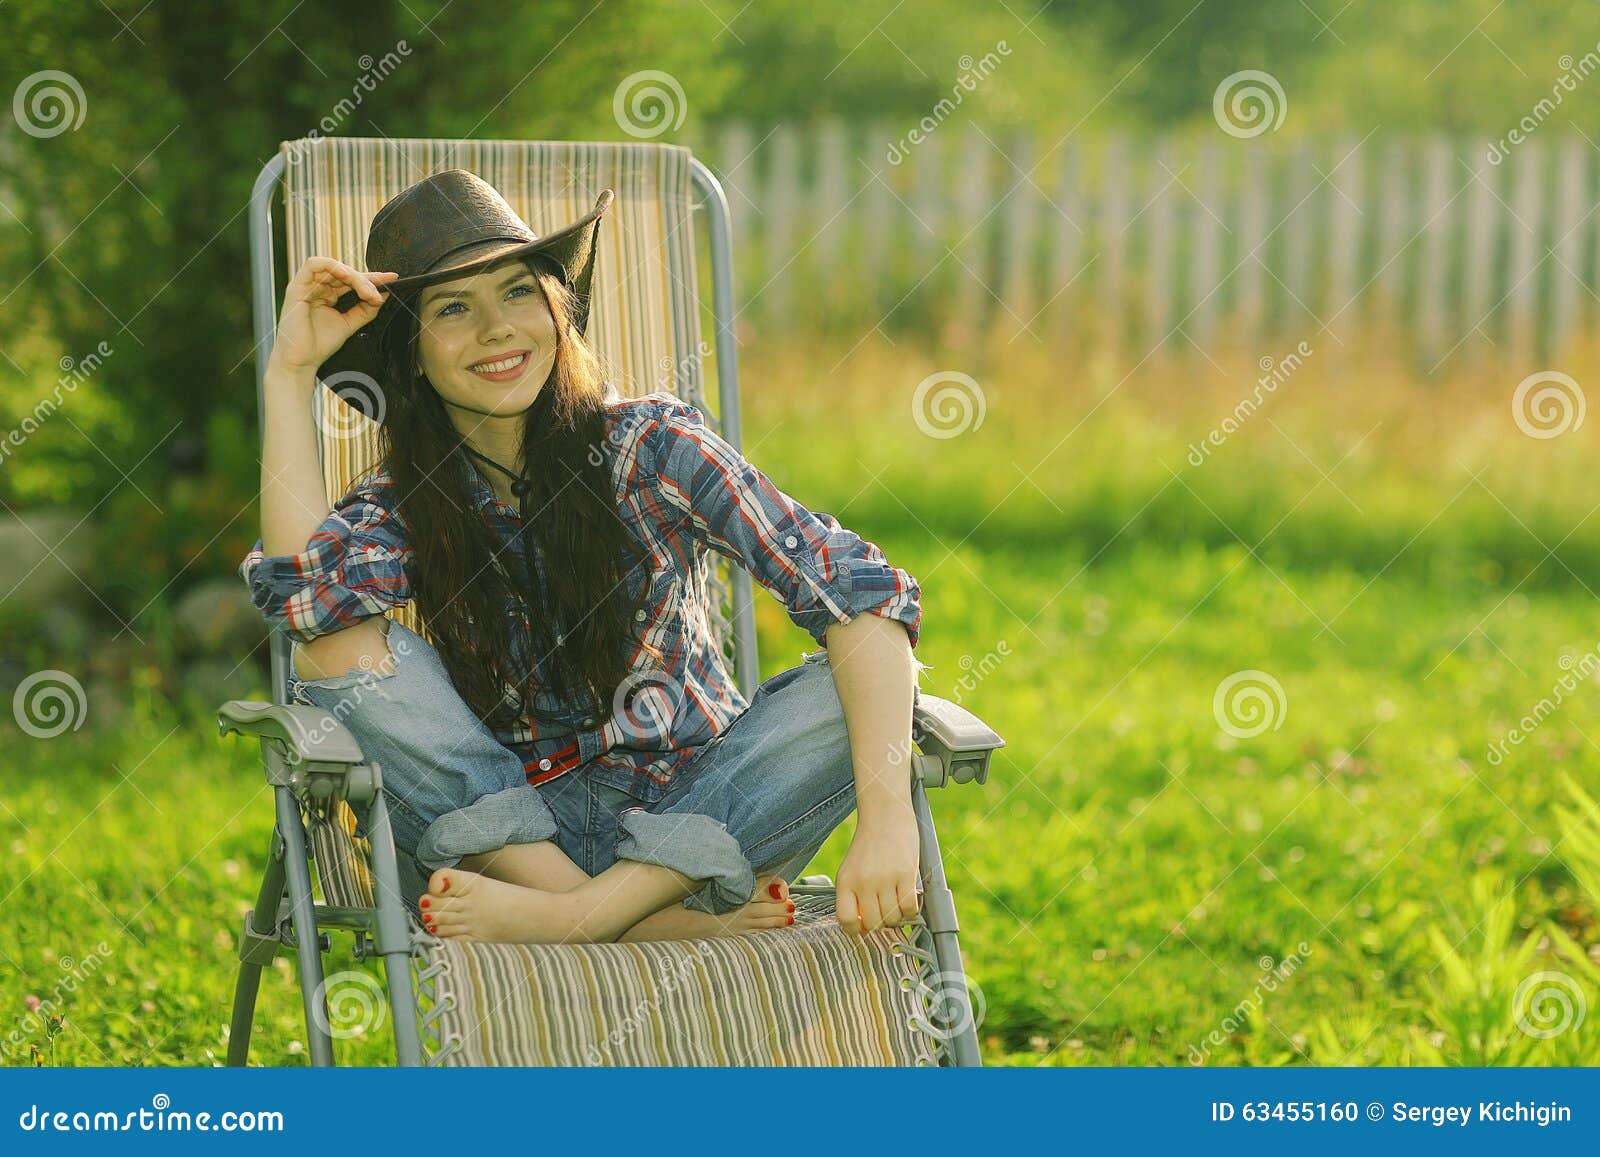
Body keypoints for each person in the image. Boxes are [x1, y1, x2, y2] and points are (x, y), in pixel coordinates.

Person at [239, 170, 927, 946]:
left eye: (518, 292)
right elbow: (309, 606)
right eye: (453, 308)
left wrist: (888, 818)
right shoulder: (409, 499)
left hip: (693, 821)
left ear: (559, 311)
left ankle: (581, 918)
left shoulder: (652, 446)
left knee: (856, 683)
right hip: (506, 845)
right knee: (339, 649)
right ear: (411, 355)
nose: (497, 328)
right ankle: (624, 919)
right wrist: (290, 370)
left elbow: (860, 595)